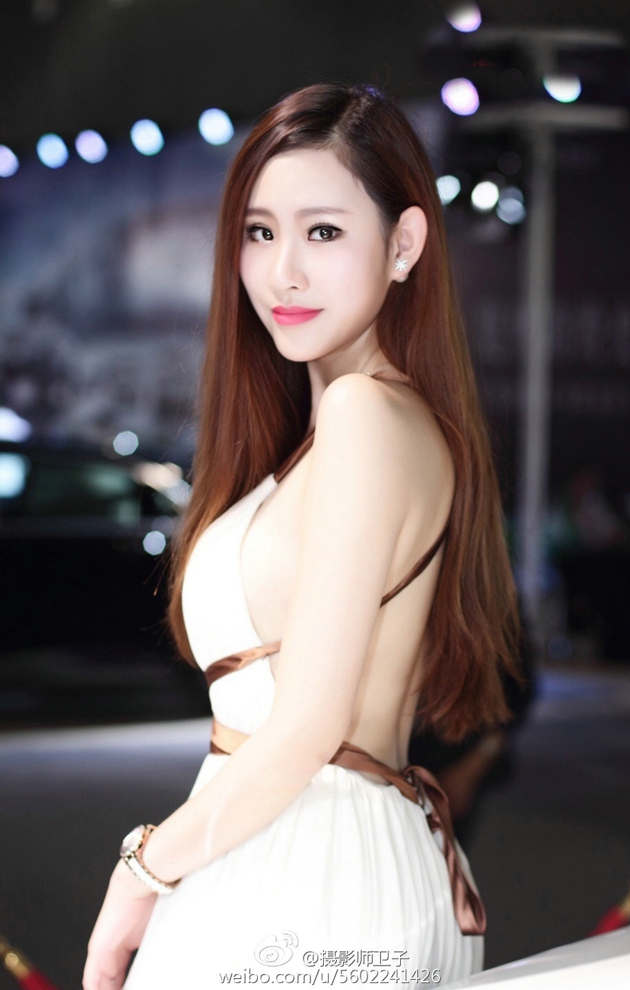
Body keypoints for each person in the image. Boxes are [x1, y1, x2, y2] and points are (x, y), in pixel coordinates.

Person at [83, 83, 522, 990]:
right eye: (259, 232)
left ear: (403, 244)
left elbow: (309, 725)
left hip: (307, 866)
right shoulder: (364, 426)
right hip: (325, 854)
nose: (282, 271)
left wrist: (140, 870)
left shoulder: (364, 413)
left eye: (323, 232)